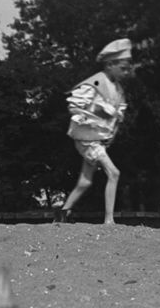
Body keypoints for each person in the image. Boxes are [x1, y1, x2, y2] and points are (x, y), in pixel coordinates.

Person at [55, 38, 133, 225]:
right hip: (87, 140)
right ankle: (109, 219)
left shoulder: (119, 90)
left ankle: (62, 214)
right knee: (114, 173)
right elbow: (75, 107)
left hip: (97, 141)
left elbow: (116, 118)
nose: (126, 72)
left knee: (85, 182)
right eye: (122, 68)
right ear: (110, 65)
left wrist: (110, 129)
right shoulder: (96, 83)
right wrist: (98, 112)